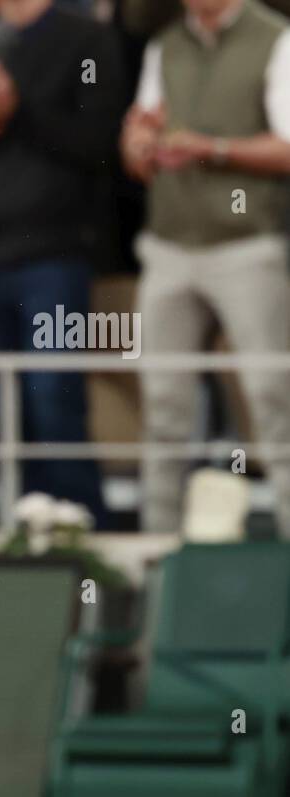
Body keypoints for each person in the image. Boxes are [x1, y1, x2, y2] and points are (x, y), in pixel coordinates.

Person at [0, 0, 125, 526]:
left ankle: (84, 531)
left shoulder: (87, 40)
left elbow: (102, 147)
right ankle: (23, 529)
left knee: (53, 398)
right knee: (2, 412)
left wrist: (19, 108)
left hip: (54, 257)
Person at [122, 0, 290, 537]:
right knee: (162, 410)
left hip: (247, 246)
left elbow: (288, 147)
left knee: (273, 401)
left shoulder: (276, 39)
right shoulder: (165, 45)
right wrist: (139, 145)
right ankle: (158, 556)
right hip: (168, 246)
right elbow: (137, 152)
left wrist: (210, 148)